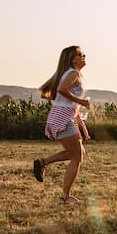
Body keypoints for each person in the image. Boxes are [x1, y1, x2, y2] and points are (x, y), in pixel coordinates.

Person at [31, 45, 92, 203]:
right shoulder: (73, 73)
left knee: (77, 154)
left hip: (62, 117)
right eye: (80, 54)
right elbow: (63, 90)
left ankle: (42, 163)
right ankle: (66, 196)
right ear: (73, 59)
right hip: (63, 118)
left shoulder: (69, 73)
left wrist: (66, 105)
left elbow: (53, 93)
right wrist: (82, 102)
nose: (84, 56)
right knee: (77, 157)